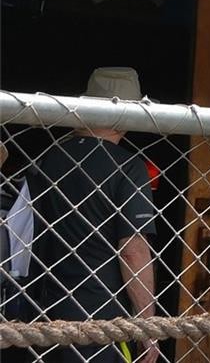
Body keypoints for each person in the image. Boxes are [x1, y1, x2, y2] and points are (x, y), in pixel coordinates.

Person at [26, 68, 158, 363]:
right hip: (102, 318)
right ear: (128, 117)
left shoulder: (48, 159)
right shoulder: (128, 167)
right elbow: (133, 251)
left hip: (43, 311)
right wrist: (147, 328)